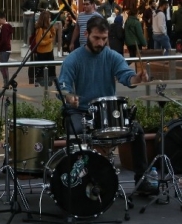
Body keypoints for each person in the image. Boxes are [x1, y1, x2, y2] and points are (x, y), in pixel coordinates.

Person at [58, 16, 154, 193]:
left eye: (104, 38)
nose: (101, 43)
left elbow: (127, 77)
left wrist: (137, 78)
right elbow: (62, 86)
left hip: (106, 113)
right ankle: (76, 181)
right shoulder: (73, 59)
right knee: (76, 131)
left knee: (137, 130)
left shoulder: (112, 56)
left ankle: (141, 180)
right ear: (86, 34)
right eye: (96, 38)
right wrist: (70, 97)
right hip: (81, 112)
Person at [32, 10, 57, 87]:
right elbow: (39, 42)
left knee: (51, 68)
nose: (50, 19)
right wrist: (49, 40)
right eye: (49, 18)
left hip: (49, 51)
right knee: (42, 68)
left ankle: (50, 81)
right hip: (42, 52)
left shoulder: (48, 27)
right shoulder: (40, 29)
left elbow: (53, 34)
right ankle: (41, 82)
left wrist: (52, 26)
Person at [0, 11, 13, 87]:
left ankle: (6, 82)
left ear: (3, 19)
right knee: (3, 67)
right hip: (5, 49)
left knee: (3, 67)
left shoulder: (5, 27)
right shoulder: (3, 27)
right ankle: (6, 81)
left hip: (4, 49)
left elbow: (3, 39)